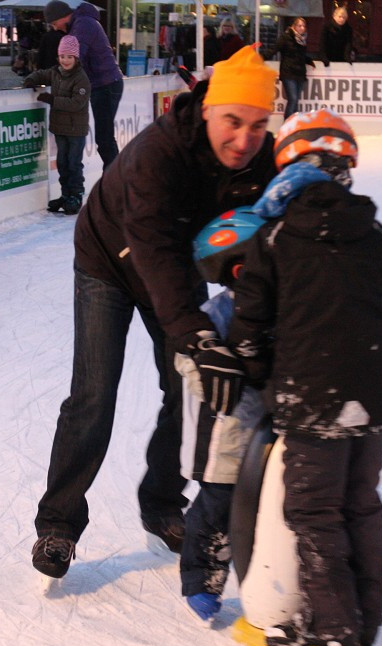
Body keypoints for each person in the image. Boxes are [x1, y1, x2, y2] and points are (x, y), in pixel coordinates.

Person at [30, 46, 279, 580]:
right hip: (109, 260)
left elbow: (274, 224)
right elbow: (153, 248)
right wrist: (196, 334)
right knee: (94, 394)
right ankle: (59, 523)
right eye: (234, 121)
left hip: (174, 262)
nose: (244, 139)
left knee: (186, 387)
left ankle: (163, 503)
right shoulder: (158, 154)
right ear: (209, 106)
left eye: (258, 125)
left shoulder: (261, 157)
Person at [226, 108, 382, 646]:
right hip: (373, 398)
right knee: (360, 506)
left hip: (310, 398)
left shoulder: (275, 236)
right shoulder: (372, 231)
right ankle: (363, 626)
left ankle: (334, 634)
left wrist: (259, 373)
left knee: (315, 511)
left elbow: (250, 325)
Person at [177, 208, 268, 625]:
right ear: (240, 267)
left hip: (265, 433)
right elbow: (184, 356)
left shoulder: (277, 306)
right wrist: (218, 380)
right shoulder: (217, 312)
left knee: (267, 509)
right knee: (217, 510)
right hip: (223, 435)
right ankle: (202, 580)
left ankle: (268, 584)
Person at [43, 0, 124, 167]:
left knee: (104, 137)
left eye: (54, 23)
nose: (55, 28)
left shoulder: (83, 25)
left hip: (106, 84)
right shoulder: (80, 24)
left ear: (62, 16)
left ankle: (115, 181)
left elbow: (75, 58)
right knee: (104, 136)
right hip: (103, 84)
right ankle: (114, 180)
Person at [23, 34, 91, 215]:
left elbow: (77, 103)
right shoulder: (55, 72)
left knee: (73, 163)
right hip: (60, 128)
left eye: (69, 57)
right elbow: (40, 73)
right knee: (62, 162)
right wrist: (30, 80)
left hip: (76, 129)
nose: (65, 60)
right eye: (62, 57)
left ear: (76, 58)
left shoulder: (81, 78)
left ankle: (76, 196)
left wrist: (52, 99)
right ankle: (65, 194)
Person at [271, 17, 314, 119]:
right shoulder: (286, 37)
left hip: (299, 73)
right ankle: (287, 125)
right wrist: (262, 57)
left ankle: (294, 125)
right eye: (299, 26)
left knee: (296, 101)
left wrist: (309, 60)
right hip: (288, 72)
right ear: (294, 26)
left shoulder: (302, 39)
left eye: (304, 26)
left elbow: (300, 55)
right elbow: (274, 49)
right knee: (293, 99)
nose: (302, 28)